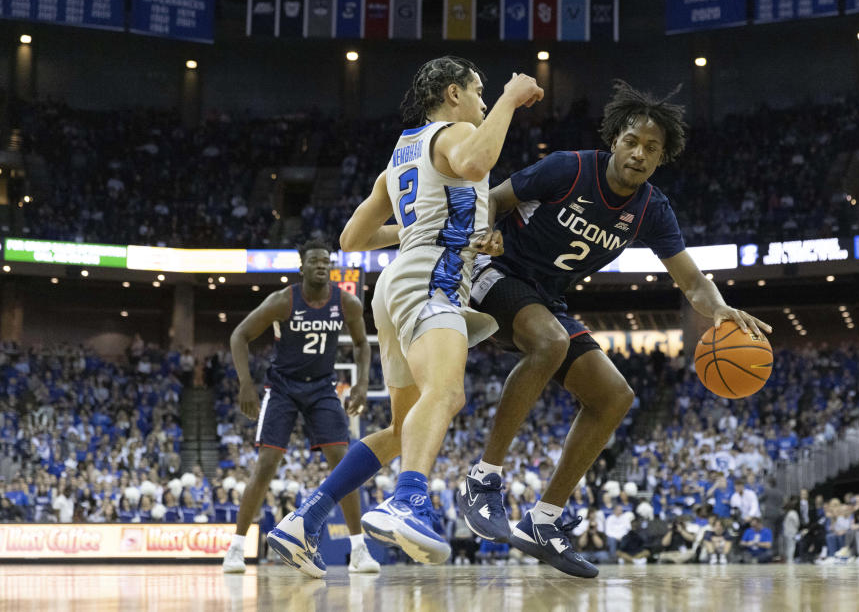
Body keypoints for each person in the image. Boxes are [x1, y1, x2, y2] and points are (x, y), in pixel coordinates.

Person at [459, 79, 772, 577]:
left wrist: (718, 309)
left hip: (546, 298)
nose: (639, 154)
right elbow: (492, 198)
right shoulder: (568, 167)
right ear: (614, 140)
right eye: (632, 141)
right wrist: (487, 230)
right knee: (550, 341)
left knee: (615, 397)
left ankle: (544, 520)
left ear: (662, 158)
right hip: (495, 273)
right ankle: (483, 479)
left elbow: (691, 280)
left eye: (652, 148)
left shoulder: (651, 209)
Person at [268, 55, 543, 574]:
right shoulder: (453, 133)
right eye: (479, 91)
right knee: (448, 392)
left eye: (490, 95)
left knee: (400, 430)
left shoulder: (401, 154)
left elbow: (352, 239)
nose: (485, 100)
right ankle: (409, 500)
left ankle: (306, 518)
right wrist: (511, 97)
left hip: (396, 284)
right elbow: (476, 165)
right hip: (431, 279)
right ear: (453, 94)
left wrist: (430, 230)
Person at [222, 240, 379, 576]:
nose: (322, 265)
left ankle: (359, 550)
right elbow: (239, 335)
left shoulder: (346, 302)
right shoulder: (283, 300)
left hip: (322, 387)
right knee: (266, 464)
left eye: (326, 261)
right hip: (282, 388)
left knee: (344, 462)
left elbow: (364, 345)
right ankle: (236, 548)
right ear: (302, 268)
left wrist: (362, 384)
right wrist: (245, 383)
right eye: (315, 261)